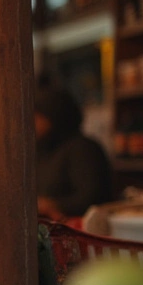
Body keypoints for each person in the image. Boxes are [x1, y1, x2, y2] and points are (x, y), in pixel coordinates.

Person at [35, 86, 113, 220]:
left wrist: (51, 205)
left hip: (80, 230)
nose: (32, 123)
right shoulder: (42, 149)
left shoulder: (83, 148)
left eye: (37, 117)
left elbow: (90, 198)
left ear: (53, 116)